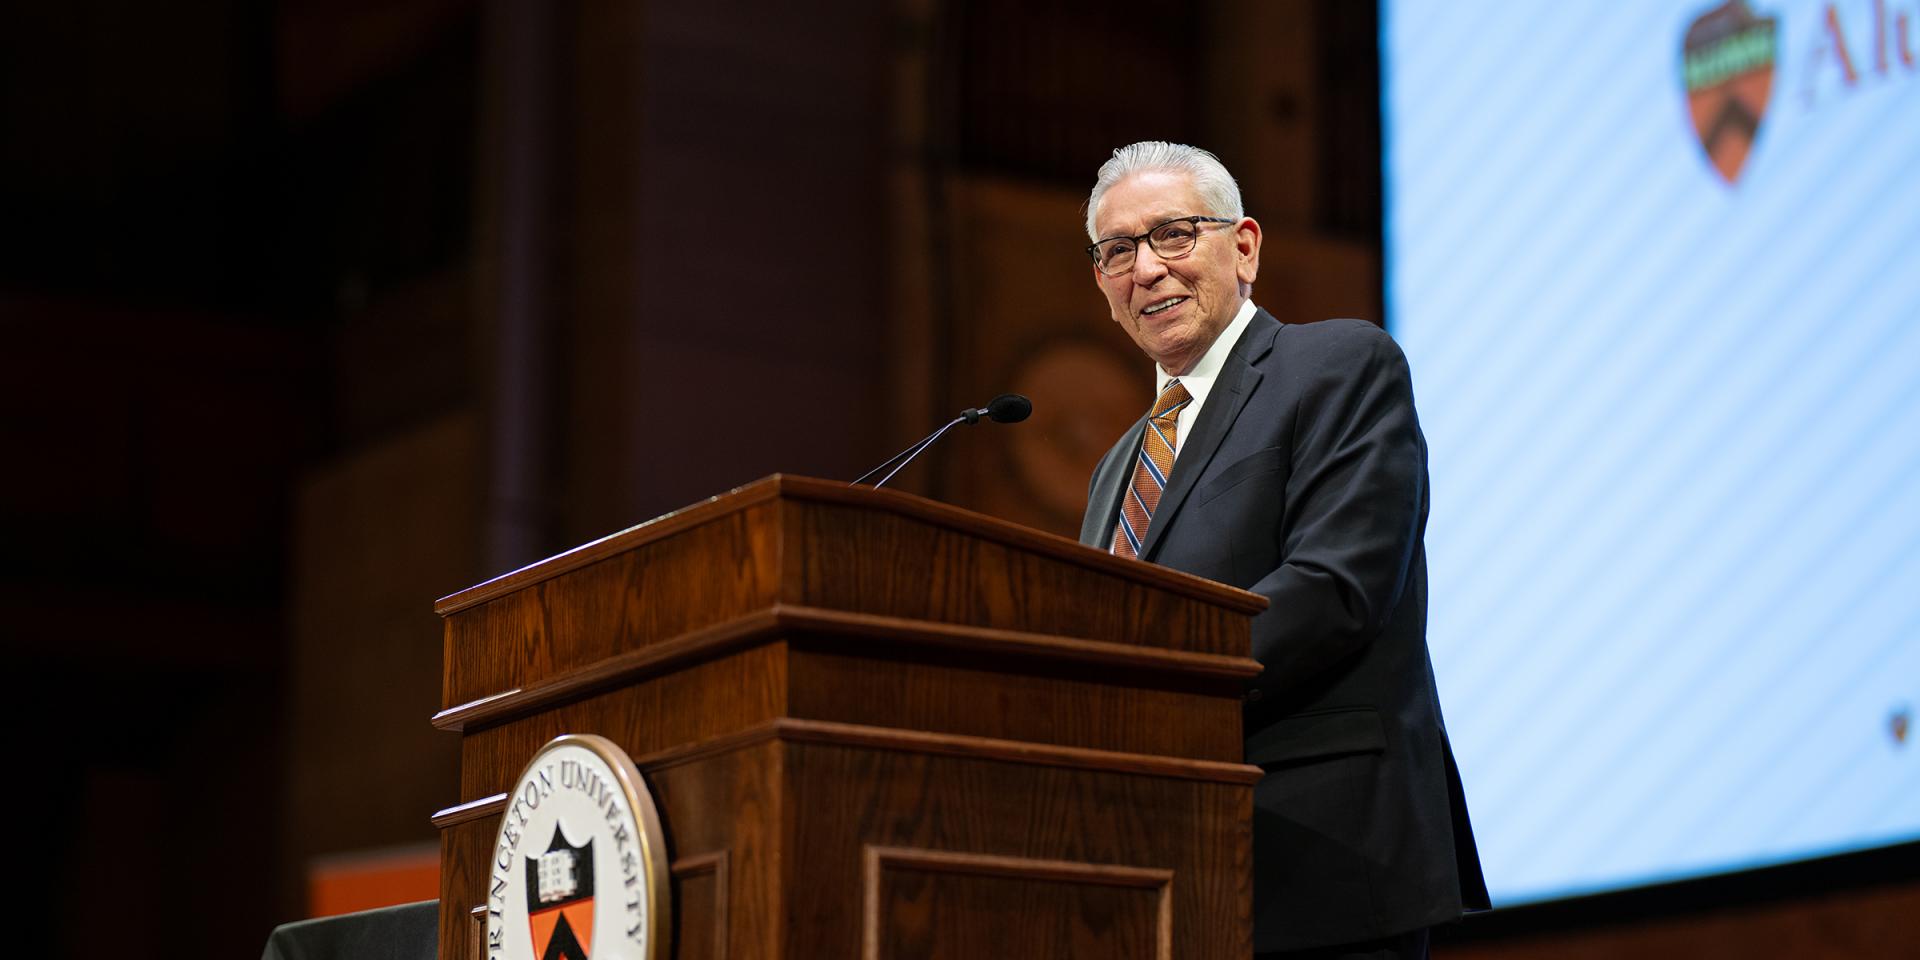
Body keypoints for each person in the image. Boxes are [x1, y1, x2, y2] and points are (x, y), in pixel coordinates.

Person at [1077, 142, 1489, 959]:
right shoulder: (1113, 470)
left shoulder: (1334, 365)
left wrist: (1143, 689)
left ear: (1245, 246)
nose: (1147, 269)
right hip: (1156, 875)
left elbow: (1336, 585)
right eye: (1118, 251)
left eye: (1173, 234)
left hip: (1319, 855)